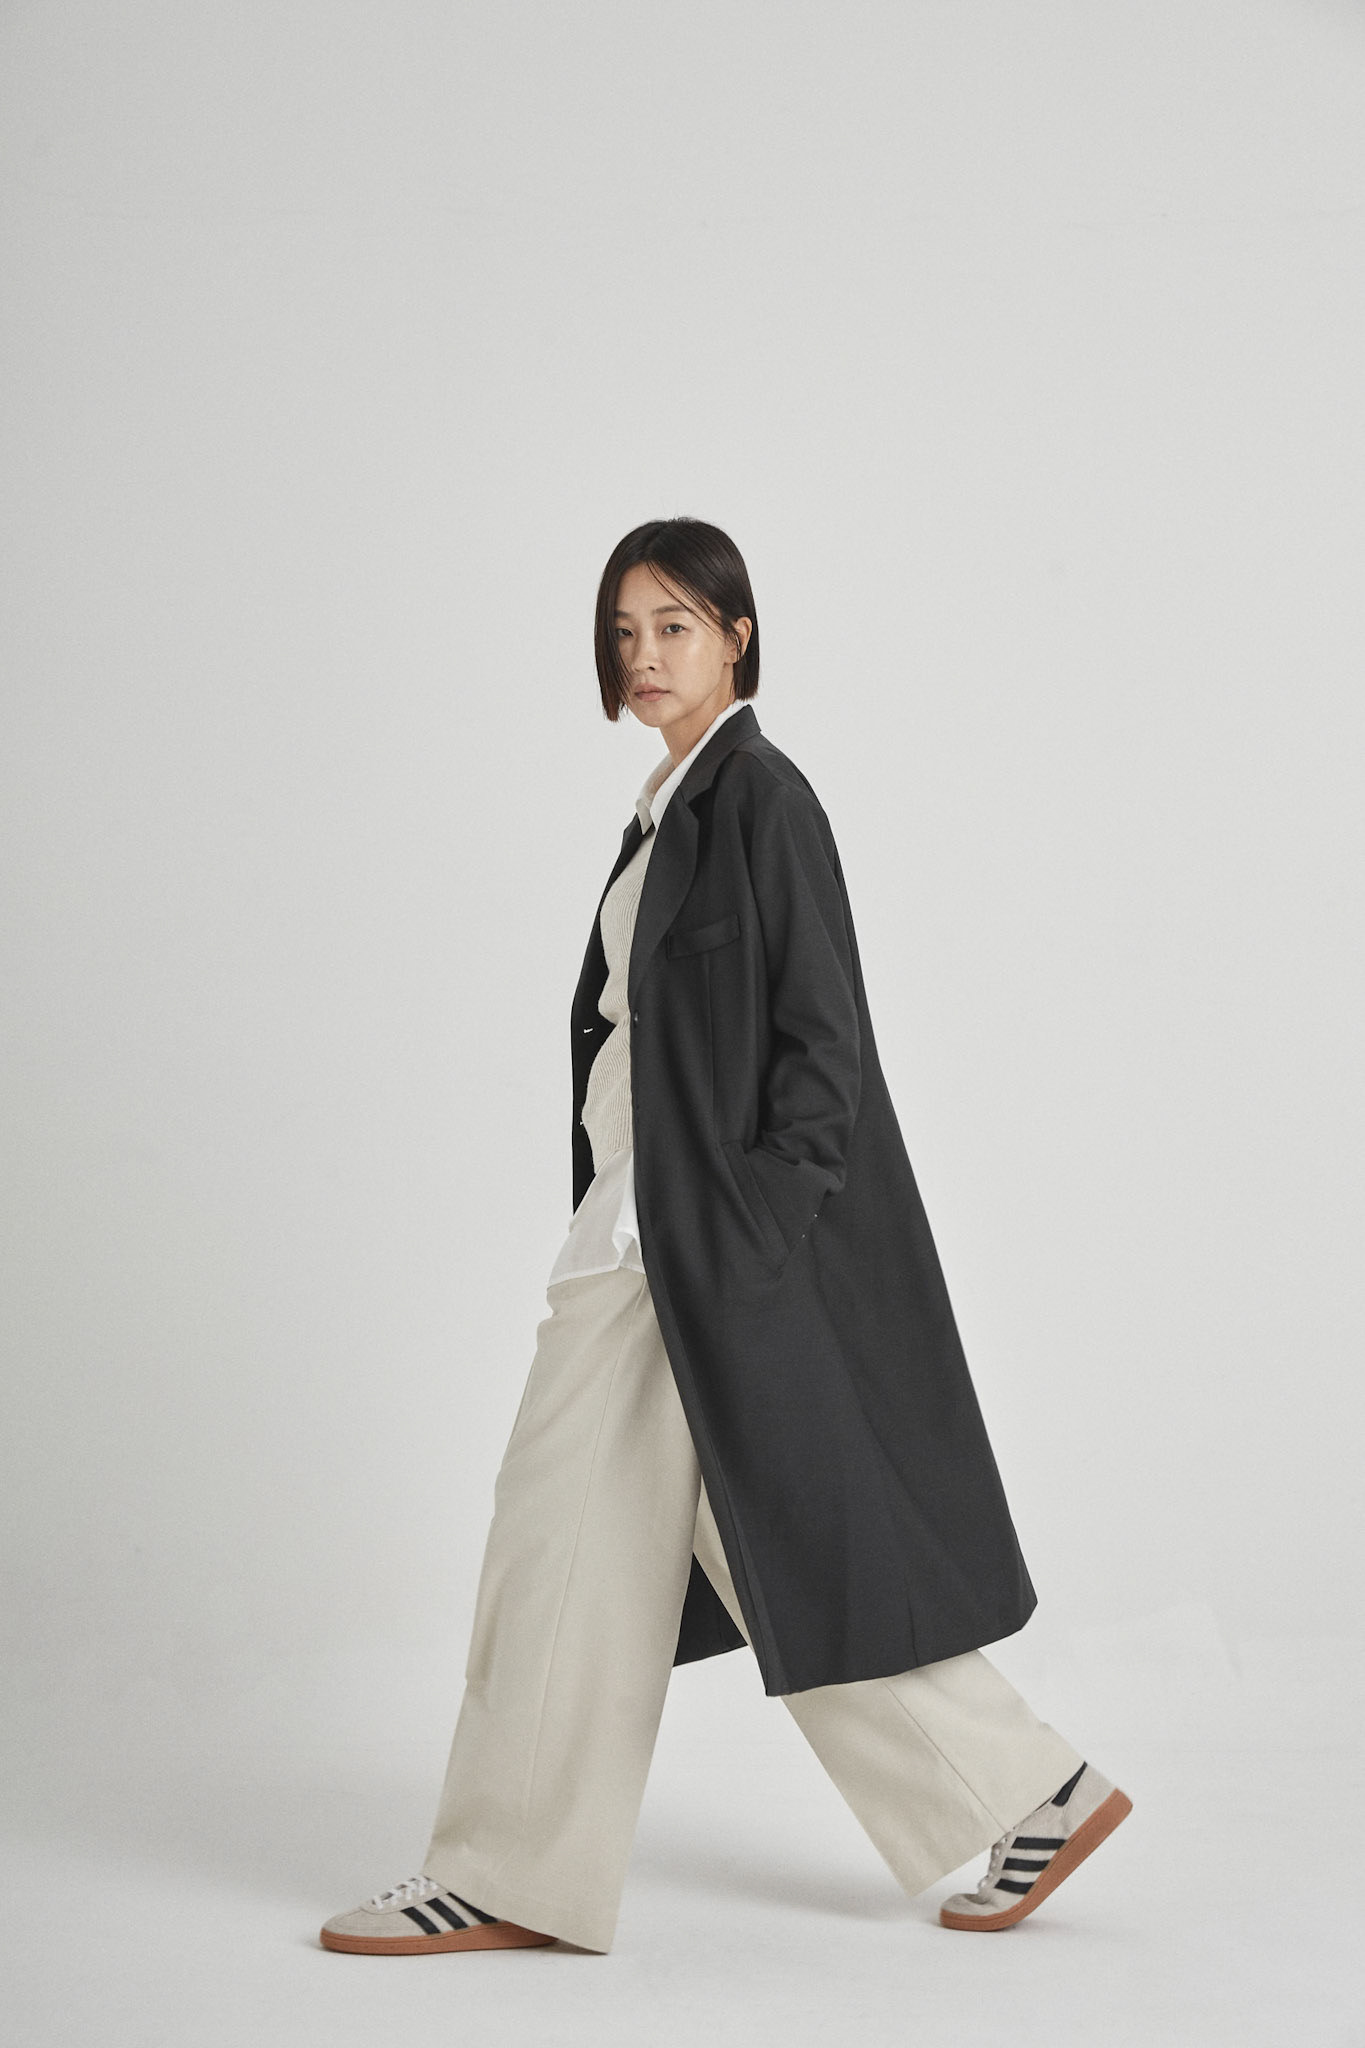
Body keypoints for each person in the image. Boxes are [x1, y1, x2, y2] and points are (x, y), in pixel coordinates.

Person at [319, 517, 1130, 1958]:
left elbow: (825, 1051)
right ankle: (1025, 1791)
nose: (643, 655)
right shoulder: (667, 811)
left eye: (674, 625)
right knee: (734, 1548)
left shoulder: (760, 799)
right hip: (641, 1243)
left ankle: (506, 1873)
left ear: (738, 635)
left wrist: (743, 1230)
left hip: (694, 1255)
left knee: (561, 1539)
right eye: (624, 632)